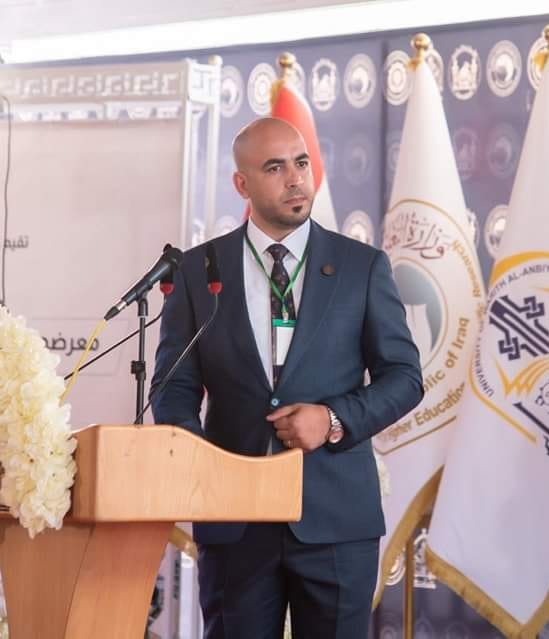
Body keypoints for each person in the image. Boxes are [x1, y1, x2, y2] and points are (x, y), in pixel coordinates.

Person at [150, 117, 423, 638]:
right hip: (235, 521)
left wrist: (333, 418)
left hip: (335, 520)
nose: (296, 178)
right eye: (275, 168)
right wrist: (202, 464)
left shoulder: (361, 266)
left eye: (301, 163)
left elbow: (405, 378)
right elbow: (173, 386)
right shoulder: (197, 270)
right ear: (242, 184)